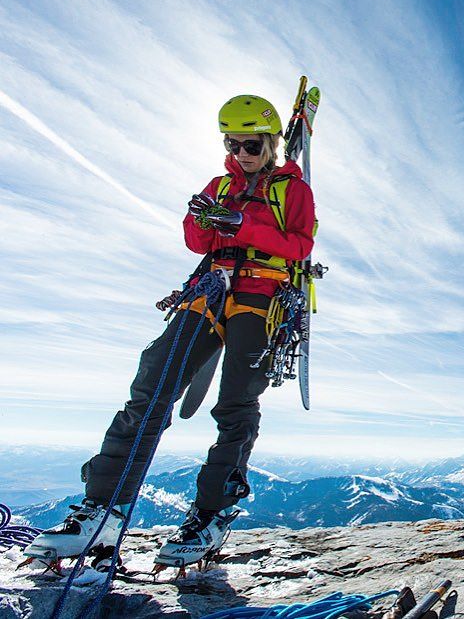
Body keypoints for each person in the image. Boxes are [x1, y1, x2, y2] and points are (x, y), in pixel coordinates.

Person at [25, 95, 316, 570]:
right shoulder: (220, 185)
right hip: (212, 287)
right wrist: (206, 218)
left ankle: (212, 514)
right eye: (232, 142)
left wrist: (241, 224)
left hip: (262, 294)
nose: (240, 151)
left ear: (269, 143)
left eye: (249, 143)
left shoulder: (292, 190)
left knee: (237, 401)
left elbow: (300, 245)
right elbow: (195, 241)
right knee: (152, 384)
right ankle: (103, 509)